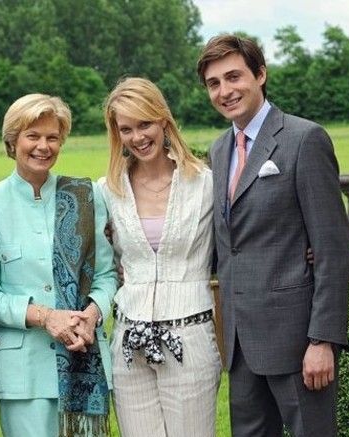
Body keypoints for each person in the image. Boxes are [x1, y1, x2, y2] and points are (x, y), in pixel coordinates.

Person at [197, 34, 349, 437]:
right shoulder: (218, 150)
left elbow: (333, 250)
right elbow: (230, 241)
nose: (225, 91)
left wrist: (323, 340)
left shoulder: (304, 139)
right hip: (240, 342)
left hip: (298, 341)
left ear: (260, 74)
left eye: (234, 77)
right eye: (214, 83)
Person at [0, 94, 117, 437]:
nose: (43, 146)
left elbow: (107, 275)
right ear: (12, 142)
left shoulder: (85, 195)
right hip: (24, 376)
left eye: (52, 137)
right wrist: (46, 316)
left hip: (85, 358)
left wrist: (93, 314)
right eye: (32, 136)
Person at [99, 77, 221, 437]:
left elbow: (248, 237)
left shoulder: (205, 184)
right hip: (128, 345)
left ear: (163, 121)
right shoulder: (107, 190)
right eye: (126, 128)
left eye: (145, 123)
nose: (138, 136)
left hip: (190, 340)